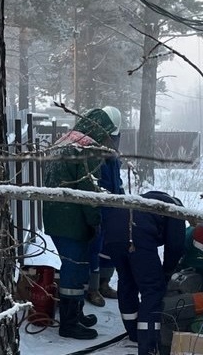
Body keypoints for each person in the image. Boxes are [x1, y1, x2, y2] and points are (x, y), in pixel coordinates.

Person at [42, 107, 117, 340]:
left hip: (55, 217)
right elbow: (89, 193)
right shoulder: (87, 149)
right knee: (74, 269)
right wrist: (96, 221)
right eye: (108, 134)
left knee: (75, 266)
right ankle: (69, 323)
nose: (108, 139)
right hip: (72, 221)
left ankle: (77, 313)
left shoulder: (65, 141)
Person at [103, 190, 186, 355]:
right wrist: (167, 272)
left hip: (112, 234)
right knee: (153, 289)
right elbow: (176, 246)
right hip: (136, 234)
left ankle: (133, 332)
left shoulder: (144, 200)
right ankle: (149, 345)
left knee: (127, 281)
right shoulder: (175, 209)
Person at [86, 105, 124, 307]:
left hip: (114, 209)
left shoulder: (113, 158)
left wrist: (122, 200)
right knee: (95, 247)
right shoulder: (92, 156)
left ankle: (104, 283)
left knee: (111, 247)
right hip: (99, 208)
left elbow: (116, 182)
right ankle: (92, 288)